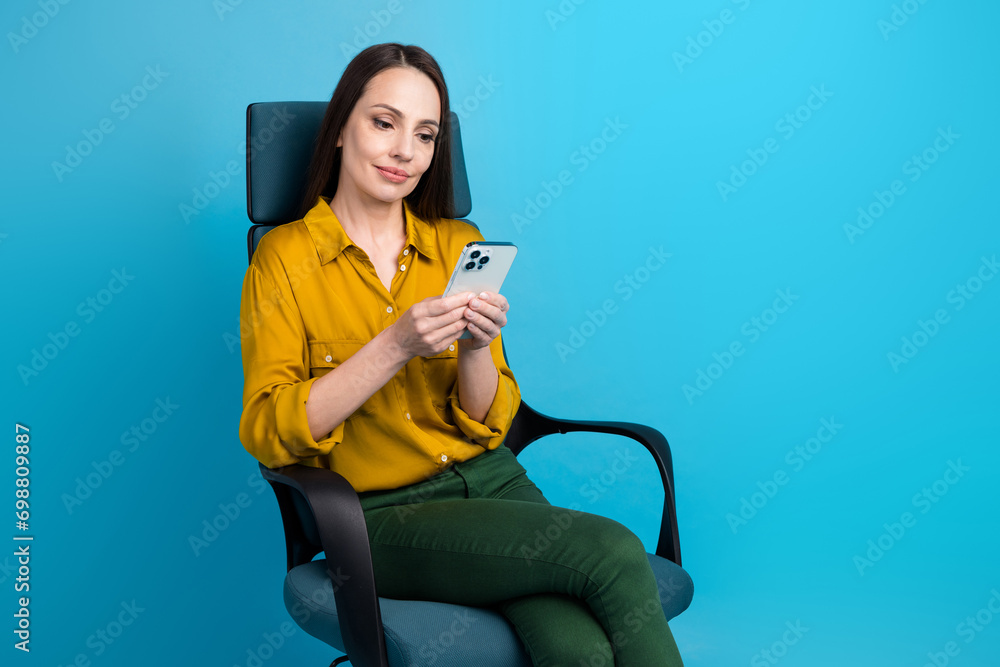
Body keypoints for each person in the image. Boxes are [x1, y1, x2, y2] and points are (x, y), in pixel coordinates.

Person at [238, 42, 684, 667]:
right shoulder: (282, 260)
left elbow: (489, 422)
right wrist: (395, 345)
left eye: (424, 135)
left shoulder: (458, 244)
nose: (404, 152)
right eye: (383, 123)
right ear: (341, 129)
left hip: (496, 484)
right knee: (610, 551)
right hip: (383, 517)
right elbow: (270, 432)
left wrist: (476, 348)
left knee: (575, 645)